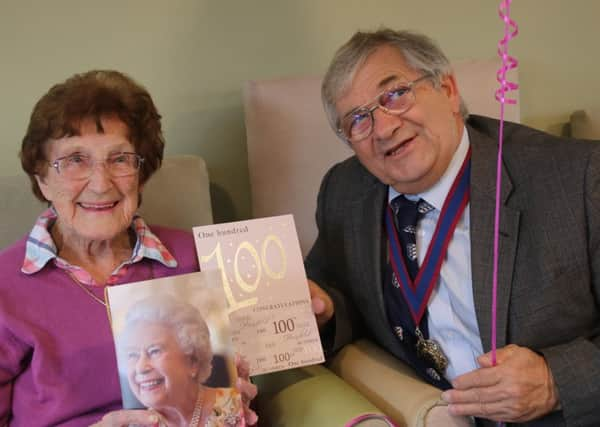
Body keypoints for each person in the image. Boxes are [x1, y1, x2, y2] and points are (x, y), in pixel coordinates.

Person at [307, 28, 600, 426]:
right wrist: (324, 311)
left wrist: (555, 381)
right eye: (358, 119)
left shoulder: (577, 179)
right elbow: (338, 298)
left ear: (446, 89)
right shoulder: (345, 193)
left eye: (395, 95)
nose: (383, 128)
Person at [0, 70, 257, 426]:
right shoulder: (5, 288)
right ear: (42, 178)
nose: (101, 184)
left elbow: (238, 368)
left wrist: (236, 390)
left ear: (141, 172)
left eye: (120, 159)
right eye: (76, 159)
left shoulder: (196, 256)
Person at [118, 295, 244, 427]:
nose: (141, 368)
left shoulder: (236, 407)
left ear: (192, 361)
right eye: (132, 355)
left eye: (154, 351)